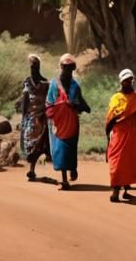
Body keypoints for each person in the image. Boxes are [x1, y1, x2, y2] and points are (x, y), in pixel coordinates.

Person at [46, 54, 90, 190]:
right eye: (65, 67)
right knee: (60, 148)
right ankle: (64, 180)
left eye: (70, 67)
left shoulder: (75, 86)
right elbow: (49, 102)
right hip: (59, 122)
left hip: (72, 122)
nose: (67, 70)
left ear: (73, 68)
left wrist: (76, 105)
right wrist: (59, 107)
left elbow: (81, 103)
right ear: (61, 67)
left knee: (71, 147)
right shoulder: (54, 84)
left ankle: (72, 168)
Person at [105, 69, 136, 202]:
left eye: (130, 80)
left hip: (132, 135)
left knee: (129, 162)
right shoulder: (116, 98)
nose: (128, 83)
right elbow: (111, 119)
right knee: (116, 162)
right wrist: (107, 136)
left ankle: (125, 189)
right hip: (119, 134)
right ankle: (115, 191)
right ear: (121, 82)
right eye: (125, 81)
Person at [16, 55, 50, 182]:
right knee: (31, 144)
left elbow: (48, 100)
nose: (32, 69)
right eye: (31, 67)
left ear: (38, 67)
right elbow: (25, 99)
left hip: (41, 118)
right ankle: (32, 169)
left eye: (34, 67)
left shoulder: (45, 83)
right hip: (31, 118)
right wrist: (24, 116)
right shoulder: (28, 81)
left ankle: (32, 169)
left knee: (38, 144)